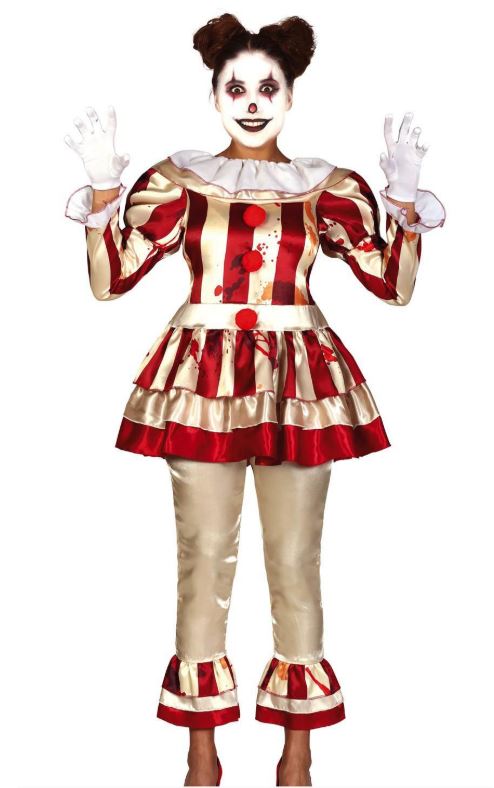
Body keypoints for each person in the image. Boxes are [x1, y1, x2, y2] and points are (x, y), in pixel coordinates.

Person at [64, 12, 446, 787]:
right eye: (235, 87)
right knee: (202, 555)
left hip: (297, 383)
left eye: (266, 87)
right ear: (214, 95)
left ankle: (297, 752)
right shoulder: (179, 181)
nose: (250, 102)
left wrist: (403, 201)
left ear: (290, 96)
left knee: (296, 558)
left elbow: (393, 286)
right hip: (202, 382)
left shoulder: (326, 187)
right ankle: (201, 749)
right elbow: (110, 280)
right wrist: (106, 187)